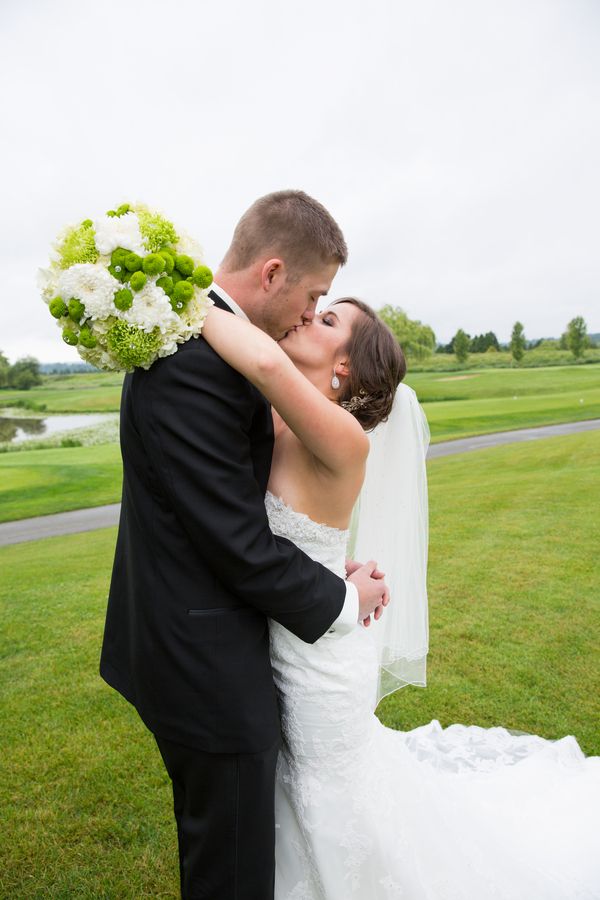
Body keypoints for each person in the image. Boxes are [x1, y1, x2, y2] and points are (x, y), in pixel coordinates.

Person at [201, 296, 600, 899]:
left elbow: (263, 362)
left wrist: (178, 301)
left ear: (345, 371)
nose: (309, 317)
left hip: (320, 668)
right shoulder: (282, 415)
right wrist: (340, 572)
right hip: (306, 622)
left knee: (330, 795)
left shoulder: (340, 435)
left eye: (328, 320)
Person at [99, 191, 390, 900]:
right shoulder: (198, 361)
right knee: (230, 872)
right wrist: (343, 597)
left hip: (239, 649)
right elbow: (237, 543)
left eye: (326, 312)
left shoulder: (212, 344)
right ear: (272, 273)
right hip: (205, 667)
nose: (306, 313)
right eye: (314, 297)